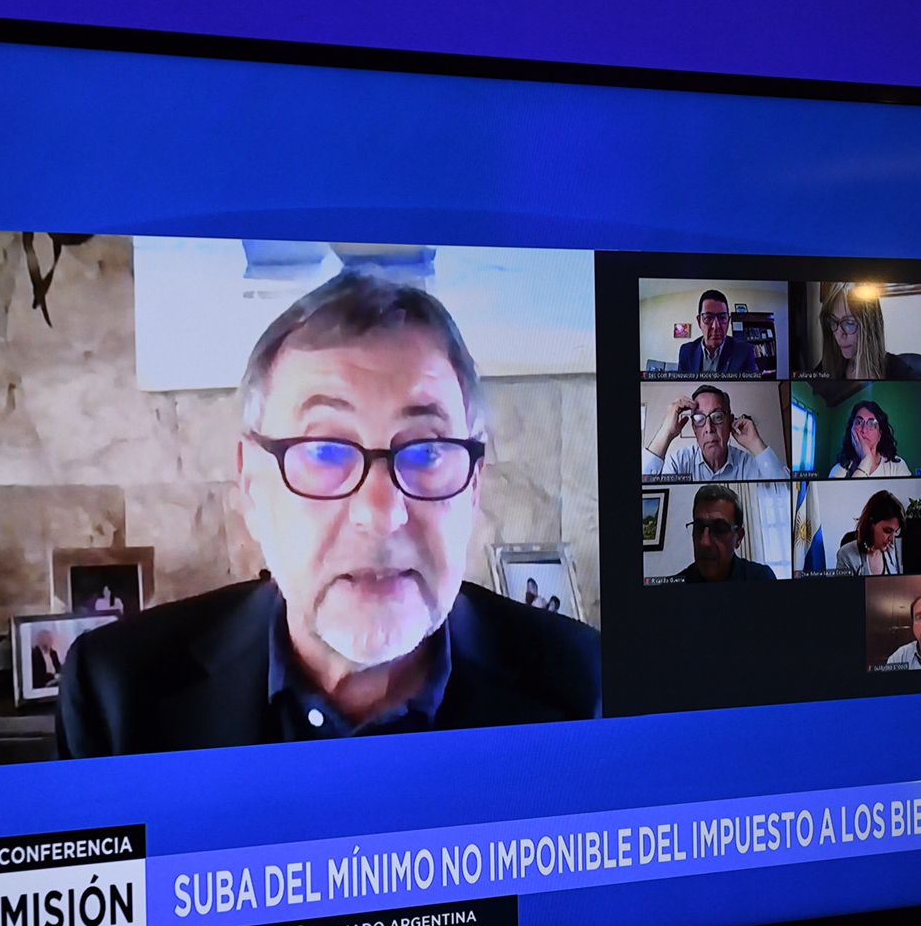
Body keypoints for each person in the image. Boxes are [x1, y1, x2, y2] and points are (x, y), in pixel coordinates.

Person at [58, 272, 600, 757]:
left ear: (474, 484)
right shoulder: (118, 696)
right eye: (323, 451)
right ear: (252, 485)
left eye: (428, 450)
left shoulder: (592, 691)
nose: (381, 514)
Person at [643, 384, 789, 481]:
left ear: (730, 422)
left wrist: (755, 444)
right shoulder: (678, 462)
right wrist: (666, 433)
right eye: (699, 419)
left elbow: (785, 495)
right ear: (694, 428)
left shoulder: (748, 465)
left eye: (717, 417)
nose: (709, 428)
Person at [817, 282, 921, 380]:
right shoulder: (827, 365)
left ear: (870, 327)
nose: (839, 335)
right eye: (834, 321)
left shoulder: (900, 372)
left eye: (849, 323)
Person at [672, 484, 776, 582]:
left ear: (739, 537)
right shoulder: (675, 587)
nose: (704, 542)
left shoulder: (760, 578)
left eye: (719, 529)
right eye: (699, 527)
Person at [676, 290, 758, 375]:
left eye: (722, 318)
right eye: (708, 318)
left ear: (728, 321)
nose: (716, 326)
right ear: (699, 321)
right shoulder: (686, 352)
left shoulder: (745, 352)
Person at [830, 400, 912, 478]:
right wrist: (866, 459)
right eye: (858, 422)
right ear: (851, 430)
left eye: (872, 424)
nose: (864, 430)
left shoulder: (897, 466)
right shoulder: (838, 471)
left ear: (880, 434)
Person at [834, 490, 905, 575]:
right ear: (871, 523)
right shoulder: (846, 555)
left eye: (896, 532)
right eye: (887, 531)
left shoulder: (893, 553)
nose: (892, 540)